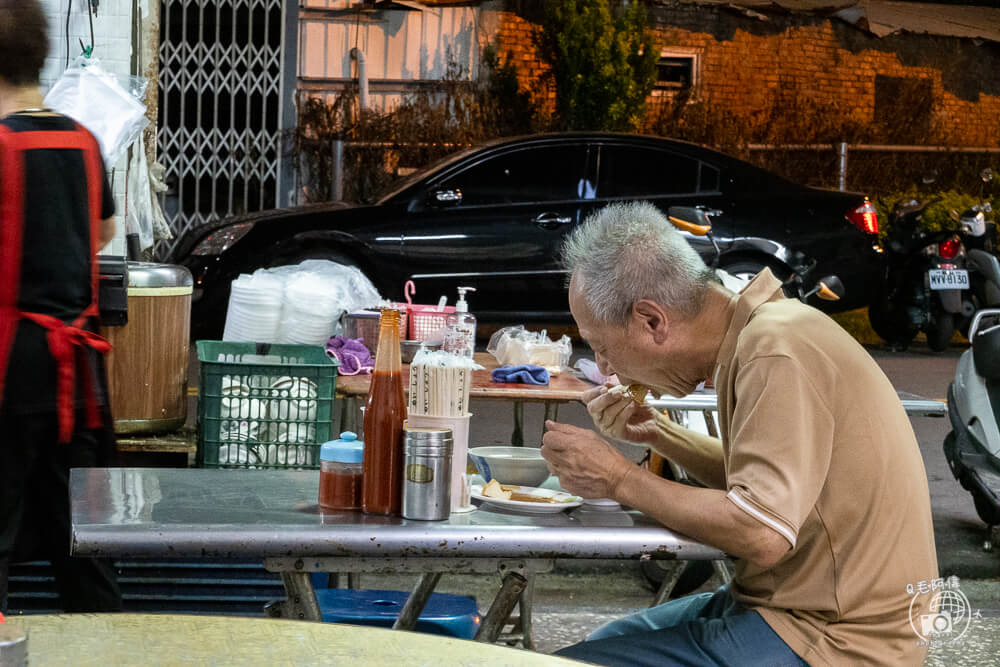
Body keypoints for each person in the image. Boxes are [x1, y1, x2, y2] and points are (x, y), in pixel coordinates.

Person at [542, 201, 937, 666]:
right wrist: (658, 433)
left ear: (652, 321)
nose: (604, 366)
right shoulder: (760, 332)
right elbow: (759, 483)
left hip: (839, 637)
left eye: (603, 346)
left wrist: (618, 479)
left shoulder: (775, 349)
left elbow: (761, 530)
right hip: (793, 608)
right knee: (598, 645)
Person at [0, 0, 122, 612]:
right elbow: (103, 233)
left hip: (10, 377)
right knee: (82, 551)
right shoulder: (82, 140)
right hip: (79, 387)